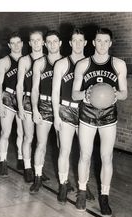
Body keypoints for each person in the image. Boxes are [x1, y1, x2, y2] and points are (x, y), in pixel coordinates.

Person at [72, 27, 128, 216]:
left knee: (107, 157)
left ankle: (104, 196)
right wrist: (86, 96)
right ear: (94, 43)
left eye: (106, 41)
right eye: (99, 41)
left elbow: (124, 93)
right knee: (85, 155)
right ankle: (81, 191)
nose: (102, 45)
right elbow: (74, 93)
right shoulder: (82, 64)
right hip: (87, 113)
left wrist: (115, 95)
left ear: (110, 43)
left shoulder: (119, 64)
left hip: (108, 115)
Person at [52, 28, 95, 204]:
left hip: (85, 111)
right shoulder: (62, 64)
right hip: (66, 110)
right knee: (65, 150)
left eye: (80, 41)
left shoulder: (90, 64)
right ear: (70, 43)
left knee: (86, 153)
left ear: (85, 43)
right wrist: (56, 116)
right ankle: (63, 184)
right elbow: (55, 92)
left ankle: (83, 186)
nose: (77, 44)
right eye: (74, 40)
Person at [29, 30, 62, 194]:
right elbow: (34, 89)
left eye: (55, 41)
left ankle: (65, 181)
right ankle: (37, 177)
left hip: (62, 107)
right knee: (41, 144)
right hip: (44, 105)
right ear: (44, 44)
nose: (51, 45)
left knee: (63, 146)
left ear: (60, 43)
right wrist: (35, 109)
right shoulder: (40, 63)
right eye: (48, 42)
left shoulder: (67, 62)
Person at [16, 30, 45, 183]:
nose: (35, 43)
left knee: (42, 140)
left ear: (43, 42)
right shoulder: (24, 60)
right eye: (32, 40)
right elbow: (19, 85)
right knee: (29, 136)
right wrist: (20, 106)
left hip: (44, 102)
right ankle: (27, 168)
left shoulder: (49, 60)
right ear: (29, 43)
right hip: (27, 100)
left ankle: (39, 168)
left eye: (38, 40)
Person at [0, 32, 24, 176]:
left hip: (23, 98)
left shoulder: (28, 60)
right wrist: (0, 105)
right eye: (13, 43)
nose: (16, 45)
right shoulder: (4, 61)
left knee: (22, 132)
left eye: (18, 42)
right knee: (6, 132)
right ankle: (3, 161)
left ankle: (20, 158)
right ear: (9, 45)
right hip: (8, 97)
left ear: (22, 44)